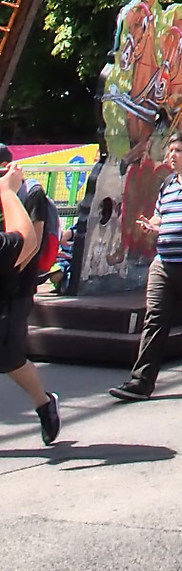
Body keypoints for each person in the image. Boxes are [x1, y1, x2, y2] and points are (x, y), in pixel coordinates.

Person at [109, 128, 182, 400]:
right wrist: (152, 224)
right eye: (170, 151)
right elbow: (161, 216)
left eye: (178, 151)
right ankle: (141, 382)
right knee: (155, 318)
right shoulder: (168, 184)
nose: (172, 156)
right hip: (164, 262)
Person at [0, 146, 60, 441]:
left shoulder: (29, 192)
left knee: (9, 358)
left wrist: (10, 270)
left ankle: (44, 403)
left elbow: (30, 243)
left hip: (14, 289)